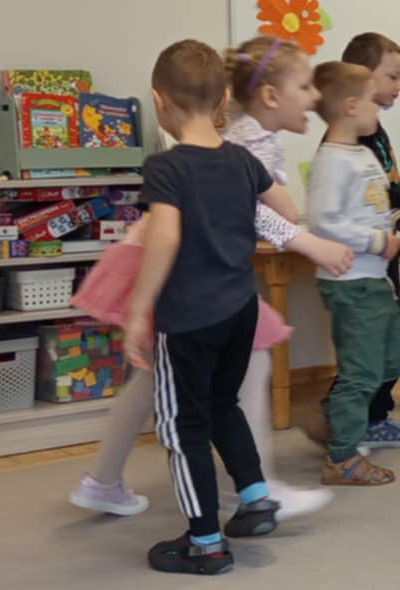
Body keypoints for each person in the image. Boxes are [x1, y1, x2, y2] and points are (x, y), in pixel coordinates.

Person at [68, 36, 351, 519]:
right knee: (244, 365)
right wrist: (307, 240)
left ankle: (105, 480)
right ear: (268, 95)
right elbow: (260, 213)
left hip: (177, 259)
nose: (315, 96)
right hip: (177, 262)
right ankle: (251, 485)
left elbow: (264, 209)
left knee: (156, 374)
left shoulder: (245, 141)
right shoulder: (248, 145)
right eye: (305, 85)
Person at [123, 40, 302, 575]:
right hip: (239, 308)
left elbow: (165, 237)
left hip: (189, 317)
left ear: (159, 100)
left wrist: (137, 309)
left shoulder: (166, 167)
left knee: (183, 427)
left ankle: (205, 543)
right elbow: (287, 213)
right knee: (224, 405)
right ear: (224, 99)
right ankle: (255, 498)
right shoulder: (242, 160)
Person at [305, 60, 400, 487]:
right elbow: (323, 222)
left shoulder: (364, 154)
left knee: (393, 356)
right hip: (351, 282)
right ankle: (341, 457)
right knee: (362, 370)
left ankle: (332, 417)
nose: (380, 109)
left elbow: (373, 208)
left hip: (374, 279)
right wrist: (376, 242)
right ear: (352, 106)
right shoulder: (332, 160)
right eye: (374, 101)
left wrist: (398, 220)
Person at [339, 31, 400, 449]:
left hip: (383, 251)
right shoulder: (349, 135)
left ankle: (374, 416)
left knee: (390, 342)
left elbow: (379, 194)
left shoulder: (375, 130)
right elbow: (357, 200)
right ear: (362, 77)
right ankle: (350, 420)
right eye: (393, 76)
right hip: (361, 258)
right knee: (369, 344)